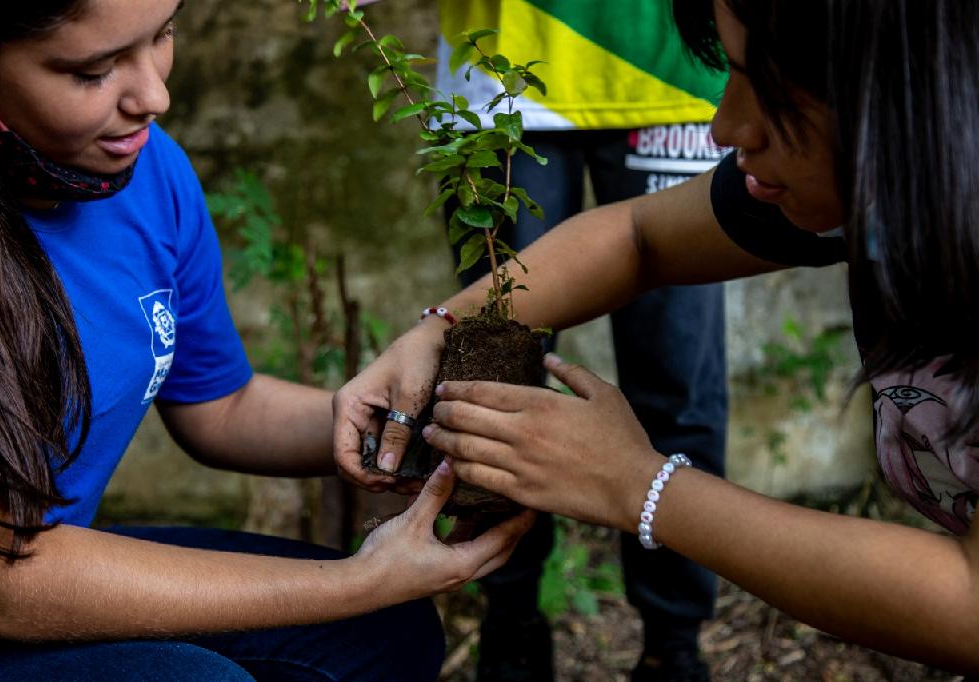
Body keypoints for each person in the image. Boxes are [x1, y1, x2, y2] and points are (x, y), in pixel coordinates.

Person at [335, 0, 979, 676]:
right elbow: (636, 237)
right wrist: (442, 324)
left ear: (896, 88)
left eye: (758, 79)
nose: (725, 125)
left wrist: (641, 486)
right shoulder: (883, 181)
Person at [0, 3, 534, 680]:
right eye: (92, 70)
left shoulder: (149, 176)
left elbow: (218, 407)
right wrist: (360, 580)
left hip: (23, 577)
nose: (155, 96)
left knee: (386, 635)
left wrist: (414, 433)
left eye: (163, 34)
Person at [432, 2, 728, 680]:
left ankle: (673, 645)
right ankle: (508, 626)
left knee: (678, 377)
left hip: (669, 66)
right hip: (496, 74)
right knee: (496, 371)